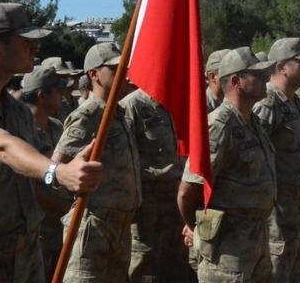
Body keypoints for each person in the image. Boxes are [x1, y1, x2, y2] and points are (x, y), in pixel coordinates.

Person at [0, 2, 102, 282]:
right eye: (26, 42)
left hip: (24, 255)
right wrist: (57, 172)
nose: (35, 50)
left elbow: (32, 172)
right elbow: (1, 146)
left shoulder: (18, 112)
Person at [178, 47, 276, 282]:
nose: (265, 80)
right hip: (227, 248)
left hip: (256, 238)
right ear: (235, 81)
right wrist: (200, 230)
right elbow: (187, 191)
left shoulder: (253, 123)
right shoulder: (218, 126)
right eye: (257, 75)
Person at [53, 42, 142, 282]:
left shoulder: (119, 113)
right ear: (94, 75)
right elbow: (58, 165)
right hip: (93, 225)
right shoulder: (89, 113)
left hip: (120, 225)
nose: (123, 75)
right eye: (115, 70)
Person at [252, 38, 300, 283]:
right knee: (277, 273)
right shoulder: (268, 104)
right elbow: (255, 155)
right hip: (280, 212)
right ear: (281, 67)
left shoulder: (295, 102)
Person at [120, 88, 191, 282]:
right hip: (147, 202)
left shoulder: (177, 103)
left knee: (176, 263)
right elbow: (127, 158)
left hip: (176, 197)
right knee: (145, 265)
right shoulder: (132, 105)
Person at [19, 65, 73, 280]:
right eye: (58, 91)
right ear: (42, 95)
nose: (64, 96)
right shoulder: (20, 131)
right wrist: (68, 208)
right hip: (36, 231)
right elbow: (29, 188)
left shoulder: (56, 126)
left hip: (59, 226)